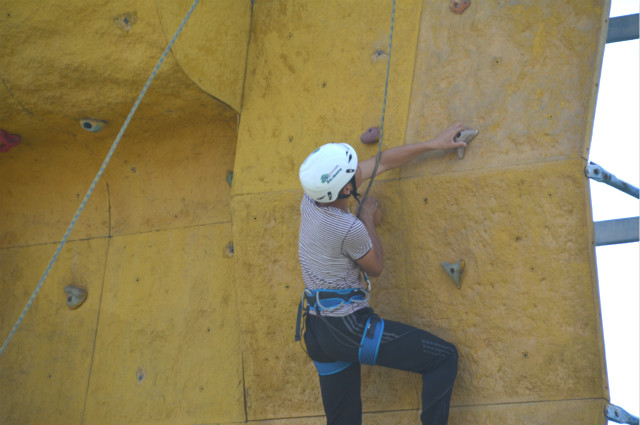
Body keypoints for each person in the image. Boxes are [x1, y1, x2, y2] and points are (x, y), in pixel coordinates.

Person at [296, 123, 470, 425]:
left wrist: (433, 144)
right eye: (353, 175)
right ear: (348, 189)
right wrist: (367, 220)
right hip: (347, 328)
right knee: (443, 358)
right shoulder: (347, 228)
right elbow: (375, 267)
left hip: (316, 330)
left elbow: (382, 162)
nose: (359, 172)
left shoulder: (311, 199)